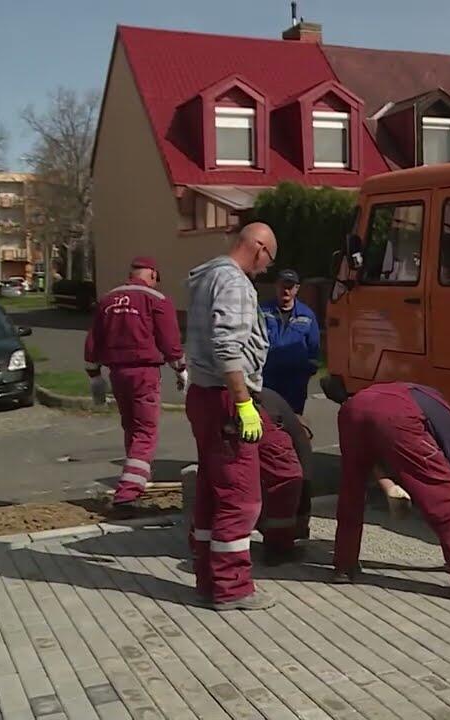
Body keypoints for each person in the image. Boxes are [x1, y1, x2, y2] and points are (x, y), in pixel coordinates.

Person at [184, 222, 277, 611]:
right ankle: (233, 587)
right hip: (225, 397)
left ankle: (209, 579)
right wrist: (242, 404)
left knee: (212, 490)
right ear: (258, 247)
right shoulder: (234, 282)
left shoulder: (206, 277)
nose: (266, 269)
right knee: (241, 497)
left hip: (204, 394)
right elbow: (227, 347)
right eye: (269, 259)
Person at [332, 382, 450, 599]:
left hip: (351, 411)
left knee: (352, 489)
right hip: (395, 416)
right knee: (446, 494)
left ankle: (344, 566)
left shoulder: (420, 395)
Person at [84, 256, 186, 505]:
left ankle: (138, 476)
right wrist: (180, 369)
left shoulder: (108, 299)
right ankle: (128, 492)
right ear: (152, 274)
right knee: (145, 431)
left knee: (131, 427)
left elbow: (94, 340)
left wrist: (94, 375)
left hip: (117, 373)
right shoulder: (156, 299)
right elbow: (170, 340)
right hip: (144, 373)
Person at [251, 387, 310, 563]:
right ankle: (278, 549)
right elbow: (303, 477)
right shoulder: (298, 437)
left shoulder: (272, 399)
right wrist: (301, 521)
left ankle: (207, 542)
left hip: (221, 409)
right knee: (285, 484)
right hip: (257, 418)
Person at [260, 269, 320, 414]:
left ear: (297, 289)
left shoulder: (306, 315)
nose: (286, 291)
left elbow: (314, 346)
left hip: (295, 379)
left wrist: (307, 372)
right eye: (282, 286)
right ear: (276, 286)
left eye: (290, 287)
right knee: (269, 416)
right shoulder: (262, 312)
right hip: (269, 376)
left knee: (294, 417)